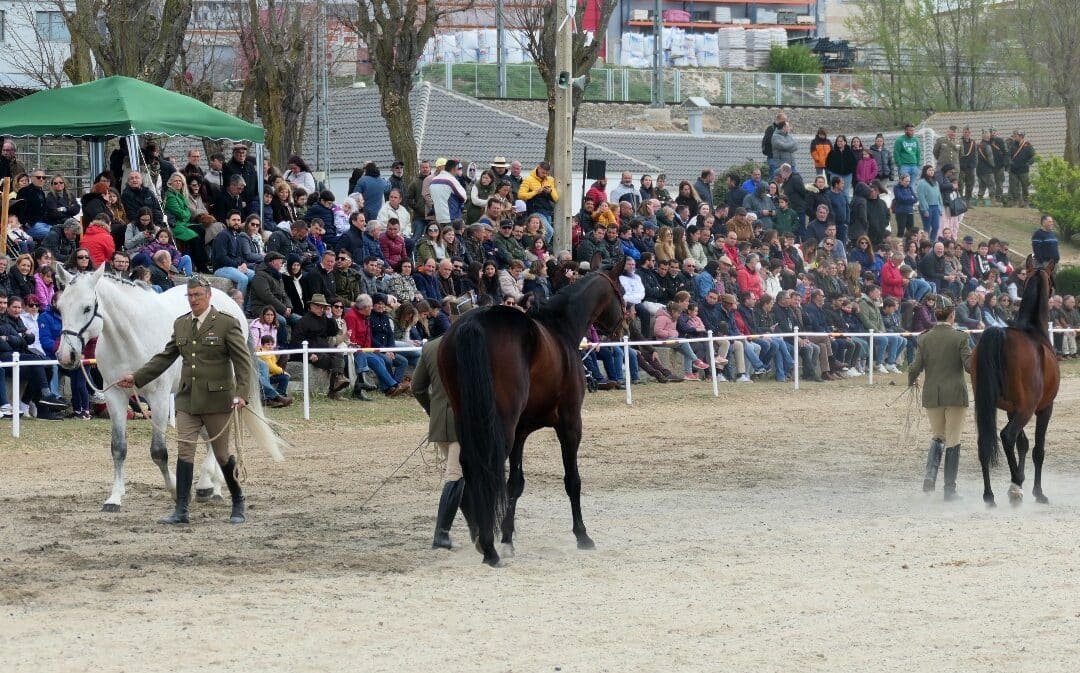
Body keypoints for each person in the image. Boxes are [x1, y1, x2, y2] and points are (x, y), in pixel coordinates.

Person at [116, 276, 252, 524]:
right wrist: (136, 377)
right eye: (190, 296)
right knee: (185, 452)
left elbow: (243, 362)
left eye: (197, 295)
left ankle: (238, 499)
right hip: (188, 399)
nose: (193, 300)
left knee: (222, 455)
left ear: (208, 296)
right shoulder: (181, 325)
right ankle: (181, 509)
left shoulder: (225, 324)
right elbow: (165, 358)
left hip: (217, 399)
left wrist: (242, 394)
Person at [907, 294, 971, 501]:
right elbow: (969, 367)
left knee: (937, 435)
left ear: (936, 315)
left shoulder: (924, 337)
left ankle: (930, 478)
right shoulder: (961, 337)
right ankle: (949, 489)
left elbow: (915, 367)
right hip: (955, 394)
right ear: (952, 315)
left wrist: (911, 381)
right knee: (953, 439)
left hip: (932, 394)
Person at [410, 335, 463, 549]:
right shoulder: (476, 344)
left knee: (462, 475)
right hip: (463, 424)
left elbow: (416, 387)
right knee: (456, 476)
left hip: (439, 423)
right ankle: (441, 535)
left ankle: (476, 528)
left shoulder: (431, 347)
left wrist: (434, 411)